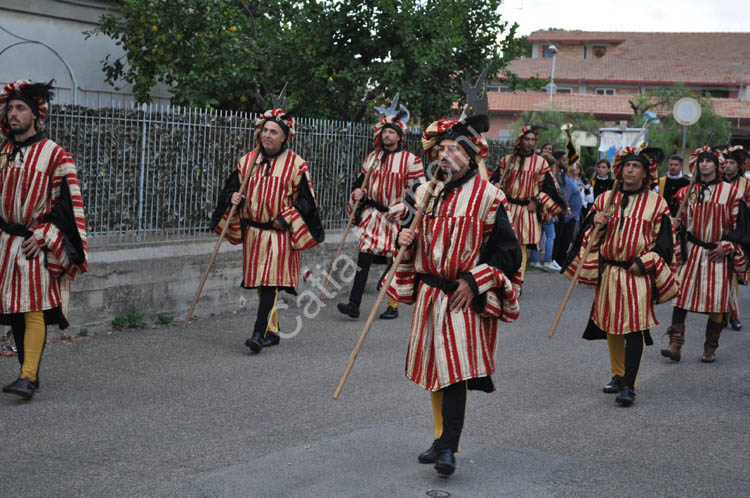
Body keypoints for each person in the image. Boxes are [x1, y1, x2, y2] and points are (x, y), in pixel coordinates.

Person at [389, 110, 521, 476]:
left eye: (454, 149)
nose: (445, 155)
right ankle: (440, 438)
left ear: (471, 156)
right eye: (441, 149)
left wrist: (474, 281)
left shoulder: (489, 197)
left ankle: (449, 447)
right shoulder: (425, 193)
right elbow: (411, 239)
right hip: (431, 293)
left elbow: (508, 256)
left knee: (454, 372)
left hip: (462, 295)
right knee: (435, 369)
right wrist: (405, 238)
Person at [564, 147, 678, 406]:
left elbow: (665, 245)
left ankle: (629, 385)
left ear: (645, 172)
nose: (630, 170)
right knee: (611, 326)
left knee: (634, 328)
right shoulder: (605, 198)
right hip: (610, 272)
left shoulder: (657, 203)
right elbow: (588, 238)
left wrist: (644, 262)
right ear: (620, 170)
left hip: (637, 273)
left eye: (636, 166)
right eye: (627, 165)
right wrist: (596, 223)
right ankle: (618, 374)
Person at [211, 97, 324, 353]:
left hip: (279, 233)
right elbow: (229, 189)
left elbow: (307, 201)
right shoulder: (246, 161)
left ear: (284, 137)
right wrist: (232, 198)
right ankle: (272, 331)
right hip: (254, 232)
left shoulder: (297, 164)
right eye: (265, 130)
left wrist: (287, 218)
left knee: (271, 281)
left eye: (274, 132)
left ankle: (258, 334)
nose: (267, 135)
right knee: (262, 284)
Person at [0, 80, 88, 400]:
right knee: (15, 312)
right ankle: (29, 375)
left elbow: (67, 207)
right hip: (5, 243)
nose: (13, 113)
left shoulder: (55, 155)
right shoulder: (4, 152)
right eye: (10, 108)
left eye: (20, 108)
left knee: (33, 308)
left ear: (37, 115)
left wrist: (46, 235)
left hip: (34, 241)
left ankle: (27, 376)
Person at [337, 99, 424, 320]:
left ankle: (392, 305)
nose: (387, 136)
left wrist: (402, 207)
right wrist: (359, 193)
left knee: (393, 260)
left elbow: (419, 190)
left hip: (395, 218)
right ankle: (353, 304)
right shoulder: (372, 158)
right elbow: (361, 184)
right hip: (373, 216)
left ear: (399, 136)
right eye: (384, 132)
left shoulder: (411, 160)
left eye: (391, 133)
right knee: (362, 260)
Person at [661, 147, 747, 363]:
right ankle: (675, 345)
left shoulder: (731, 193)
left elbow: (741, 226)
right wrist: (675, 224)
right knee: (680, 297)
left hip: (718, 252)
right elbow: (676, 219)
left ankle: (710, 347)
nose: (704, 164)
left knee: (717, 301)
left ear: (717, 166)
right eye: (701, 161)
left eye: (709, 161)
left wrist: (727, 246)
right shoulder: (687, 191)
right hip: (692, 249)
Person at [490, 127, 566, 294]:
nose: (530, 142)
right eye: (527, 139)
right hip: (508, 208)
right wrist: (495, 185)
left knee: (521, 247)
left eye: (533, 140)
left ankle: (518, 283)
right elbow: (494, 180)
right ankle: (504, 280)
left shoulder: (541, 163)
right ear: (520, 140)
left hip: (527, 210)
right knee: (504, 245)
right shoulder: (507, 160)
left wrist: (537, 201)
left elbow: (550, 188)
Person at [721, 146, 750, 331]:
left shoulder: (746, 184)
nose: (728, 166)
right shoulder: (717, 182)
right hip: (717, 232)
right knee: (720, 275)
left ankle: (733, 315)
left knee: (732, 275)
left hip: (737, 233)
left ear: (738, 166)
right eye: (726, 162)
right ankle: (721, 313)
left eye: (732, 163)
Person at [528, 153, 560, 271]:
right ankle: (547, 260)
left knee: (539, 235)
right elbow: (552, 196)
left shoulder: (537, 176)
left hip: (540, 209)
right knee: (551, 235)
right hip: (547, 210)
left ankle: (535, 259)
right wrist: (554, 212)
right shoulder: (549, 178)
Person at [552, 155, 583, 267]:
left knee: (566, 239)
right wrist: (567, 210)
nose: (567, 163)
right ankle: (558, 259)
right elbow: (565, 196)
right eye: (564, 160)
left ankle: (561, 259)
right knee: (563, 239)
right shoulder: (563, 179)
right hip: (567, 216)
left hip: (572, 216)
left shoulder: (565, 177)